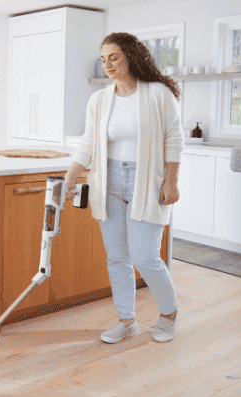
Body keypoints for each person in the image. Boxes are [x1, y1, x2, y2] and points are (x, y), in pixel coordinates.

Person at [64, 32, 184, 343]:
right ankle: (126, 318)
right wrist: (70, 177)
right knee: (117, 256)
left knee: (145, 257)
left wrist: (172, 181)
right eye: (103, 59)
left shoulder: (158, 94)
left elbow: (174, 139)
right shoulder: (100, 100)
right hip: (109, 180)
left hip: (147, 181)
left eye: (113, 57)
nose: (107, 64)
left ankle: (169, 313)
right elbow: (88, 143)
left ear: (131, 56)